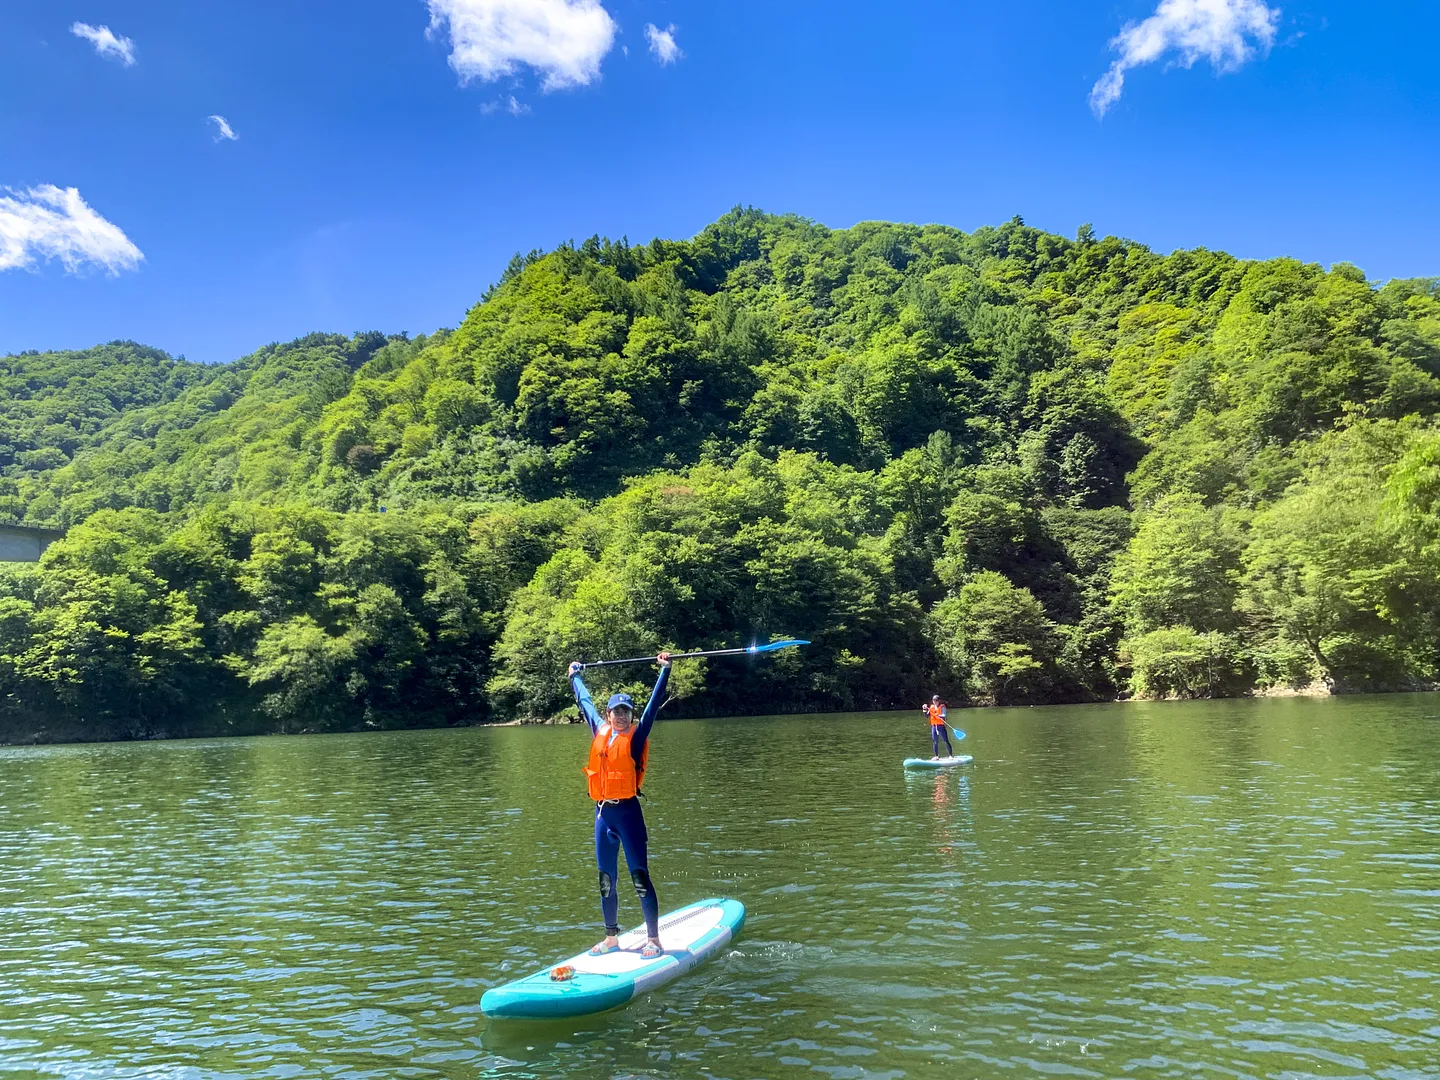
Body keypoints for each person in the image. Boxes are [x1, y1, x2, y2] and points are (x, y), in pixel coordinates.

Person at [567, 652, 671, 958]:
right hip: (603, 815)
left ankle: (653, 939)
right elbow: (585, 703)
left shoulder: (636, 738)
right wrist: (575, 677)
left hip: (628, 814)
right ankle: (612, 938)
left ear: (630, 715)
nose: (621, 716)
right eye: (616, 711)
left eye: (626, 711)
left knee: (639, 878)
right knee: (605, 881)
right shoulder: (599, 729)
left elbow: (652, 709)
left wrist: (664, 671)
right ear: (608, 714)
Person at [923, 694, 952, 759]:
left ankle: (950, 755)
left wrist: (938, 715)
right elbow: (926, 716)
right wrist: (924, 709)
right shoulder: (931, 707)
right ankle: (936, 756)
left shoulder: (942, 707)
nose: (934, 702)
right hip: (934, 726)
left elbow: (944, 715)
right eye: (933, 700)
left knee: (946, 740)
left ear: (939, 701)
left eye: (936, 700)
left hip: (941, 726)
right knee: (935, 741)